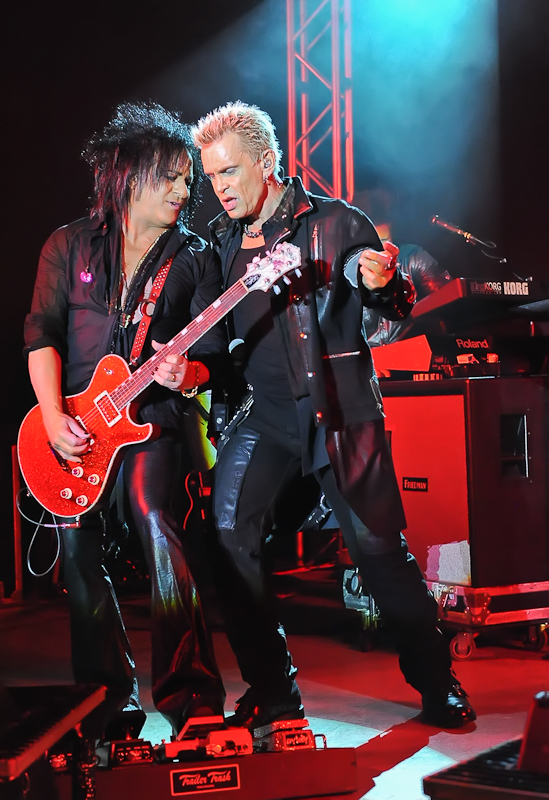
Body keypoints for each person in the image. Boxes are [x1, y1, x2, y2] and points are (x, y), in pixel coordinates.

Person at [191, 101, 476, 732]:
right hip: (265, 421)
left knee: (379, 553)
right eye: (211, 176)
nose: (222, 188)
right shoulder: (219, 243)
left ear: (266, 164)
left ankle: (437, 681)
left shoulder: (337, 222)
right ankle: (273, 689)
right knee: (231, 536)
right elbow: (212, 340)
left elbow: (386, 295)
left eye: (231, 172)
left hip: (341, 414)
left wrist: (381, 279)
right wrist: (192, 370)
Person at [24, 101, 226, 739]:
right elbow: (41, 336)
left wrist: (185, 375)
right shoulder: (67, 245)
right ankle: (108, 706)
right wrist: (54, 417)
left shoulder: (194, 257)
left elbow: (217, 359)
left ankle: (191, 698)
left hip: (153, 418)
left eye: (185, 179)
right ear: (128, 176)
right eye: (168, 175)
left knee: (156, 521)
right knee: (80, 552)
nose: (182, 189)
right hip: (76, 429)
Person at [360, 220, 452, 346]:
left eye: (384, 240)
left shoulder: (414, 256)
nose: (380, 248)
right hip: (365, 359)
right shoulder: (345, 270)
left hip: (411, 351)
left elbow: (449, 300)